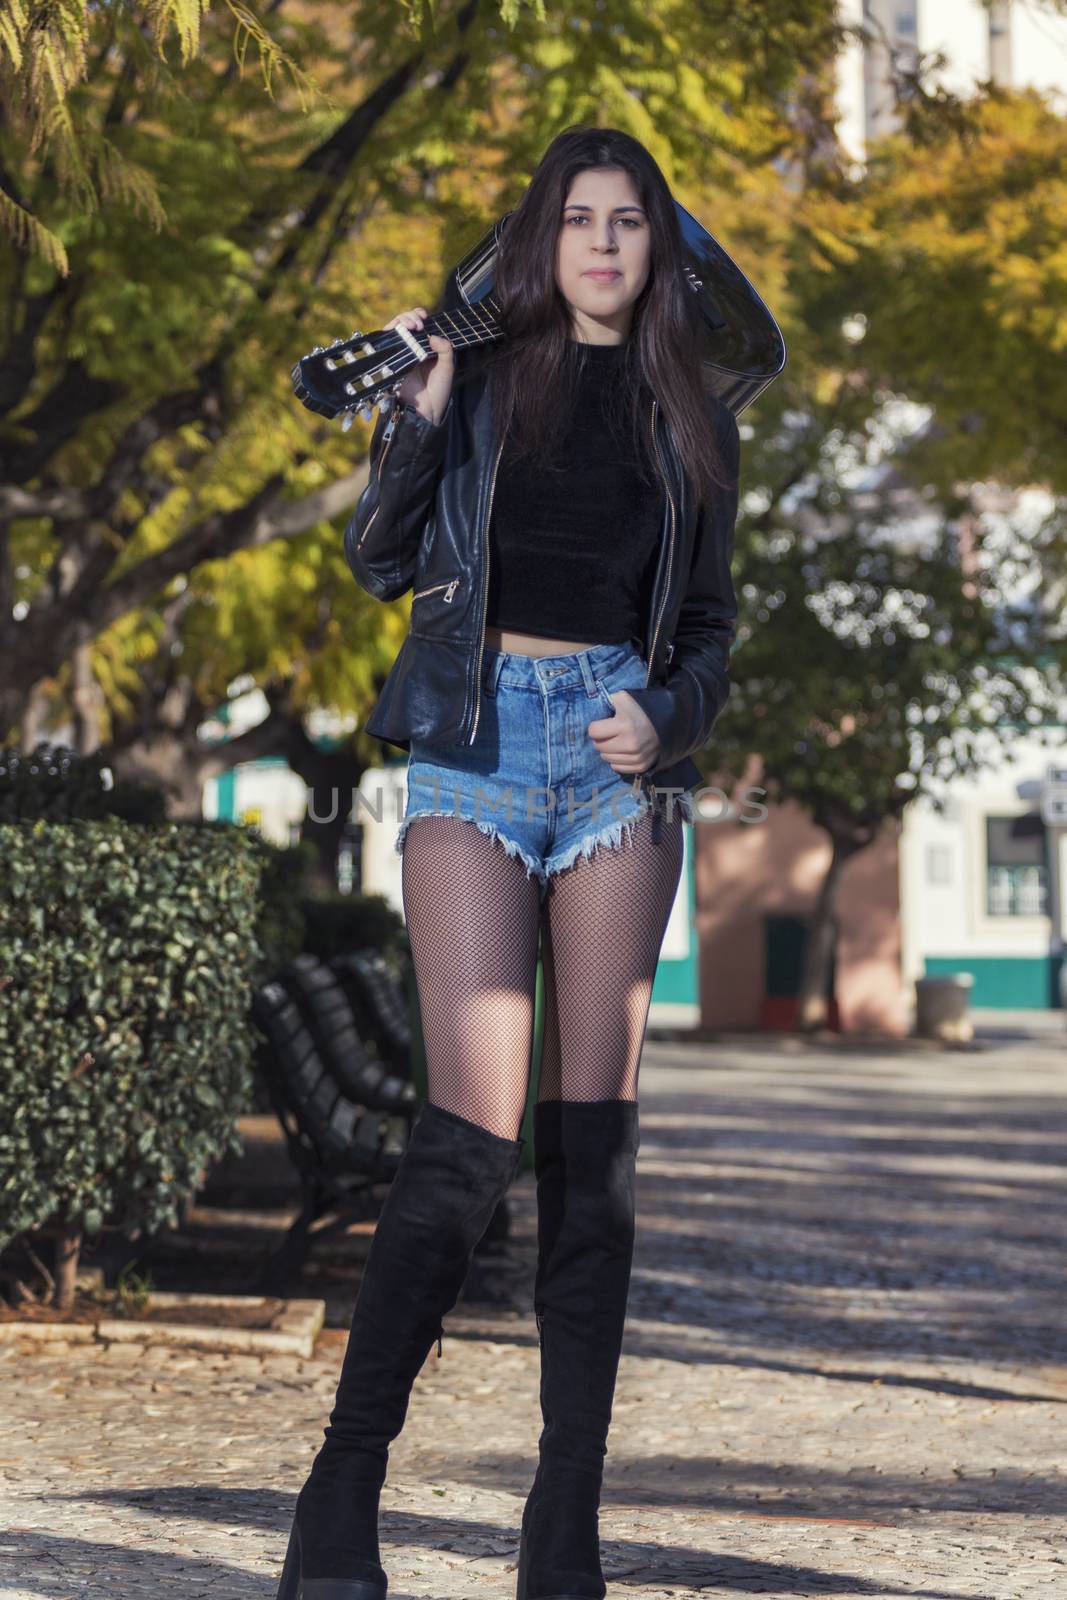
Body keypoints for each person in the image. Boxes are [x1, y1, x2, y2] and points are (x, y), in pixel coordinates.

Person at [277, 125, 741, 1600]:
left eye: (629, 223)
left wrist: (663, 714)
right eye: (578, 221)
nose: (602, 244)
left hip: (616, 773)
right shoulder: (472, 383)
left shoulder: (693, 420)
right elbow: (379, 558)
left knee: (590, 1163)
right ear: (542, 242)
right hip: (475, 756)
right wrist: (413, 417)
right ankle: (339, 1499)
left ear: (658, 249)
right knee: (466, 1149)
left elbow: (717, 631)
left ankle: (565, 1528)